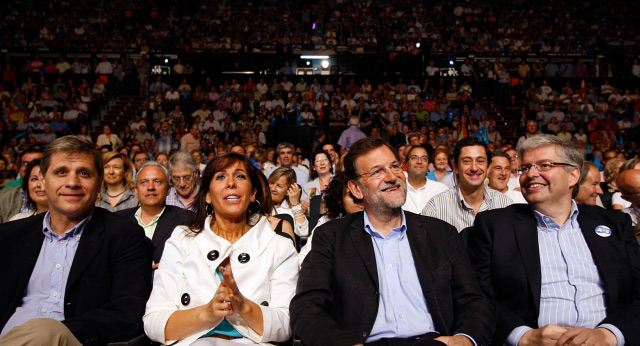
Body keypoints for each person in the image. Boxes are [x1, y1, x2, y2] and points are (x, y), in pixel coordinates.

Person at [291, 137, 494, 346]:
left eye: (395, 166)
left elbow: (475, 302)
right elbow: (306, 308)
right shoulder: (331, 237)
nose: (391, 177)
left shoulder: (441, 234)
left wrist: (463, 340)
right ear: (356, 189)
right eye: (377, 171)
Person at [467, 134, 640, 346]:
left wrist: (609, 334)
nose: (531, 174)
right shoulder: (494, 226)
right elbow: (478, 296)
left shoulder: (615, 224)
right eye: (525, 168)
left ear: (573, 175)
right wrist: (522, 336)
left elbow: (636, 294)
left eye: (544, 165)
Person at [0, 136, 152, 344]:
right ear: (43, 180)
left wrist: (59, 332)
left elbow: (129, 310)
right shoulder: (9, 235)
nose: (72, 183)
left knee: (43, 331)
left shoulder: (124, 235)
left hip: (74, 338)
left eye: (84, 173)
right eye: (61, 172)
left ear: (99, 182)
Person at [143, 153, 298, 345]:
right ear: (207, 195)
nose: (231, 183)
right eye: (221, 177)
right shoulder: (181, 239)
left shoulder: (280, 247)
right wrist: (206, 313)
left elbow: (286, 325)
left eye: (240, 176)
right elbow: (153, 323)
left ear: (252, 194)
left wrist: (243, 306)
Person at [422, 137, 513, 232]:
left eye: (480, 161)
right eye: (466, 161)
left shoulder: (505, 205)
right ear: (456, 167)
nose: (474, 168)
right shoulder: (436, 207)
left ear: (488, 167)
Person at [117, 161, 194, 266]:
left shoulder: (187, 219)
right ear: (136, 190)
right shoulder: (118, 220)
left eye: (157, 181)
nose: (150, 187)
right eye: (144, 182)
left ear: (168, 190)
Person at [298, 172, 364, 268]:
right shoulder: (326, 222)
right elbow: (304, 259)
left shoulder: (378, 221)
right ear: (339, 200)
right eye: (351, 195)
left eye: (361, 192)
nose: (358, 198)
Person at [402, 145, 449, 214]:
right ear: (407, 163)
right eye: (414, 158)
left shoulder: (441, 190)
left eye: (424, 158)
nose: (419, 161)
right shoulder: (397, 189)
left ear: (428, 165)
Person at [269, 167, 309, 238]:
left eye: (279, 186)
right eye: (271, 183)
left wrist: (295, 205)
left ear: (289, 189)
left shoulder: (292, 210)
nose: (273, 188)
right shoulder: (260, 204)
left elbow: (304, 233)